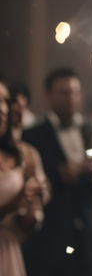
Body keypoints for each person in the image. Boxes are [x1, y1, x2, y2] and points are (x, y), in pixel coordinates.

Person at [22, 67, 92, 276]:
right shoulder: (32, 136)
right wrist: (58, 175)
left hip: (87, 239)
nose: (70, 98)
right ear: (48, 95)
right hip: (48, 240)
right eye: (63, 93)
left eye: (75, 92)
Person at [0, 78, 47, 276]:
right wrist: (16, 201)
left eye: (4, 101)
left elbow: (27, 224)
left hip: (7, 249)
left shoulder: (23, 155)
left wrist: (30, 206)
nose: (2, 109)